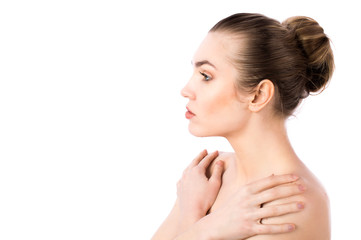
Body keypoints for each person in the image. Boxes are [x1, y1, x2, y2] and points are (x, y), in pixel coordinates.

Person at [152, 13, 334, 240]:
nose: (186, 90)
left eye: (206, 76)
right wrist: (193, 215)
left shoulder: (293, 204)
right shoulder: (206, 176)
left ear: (258, 95)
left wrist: (201, 227)